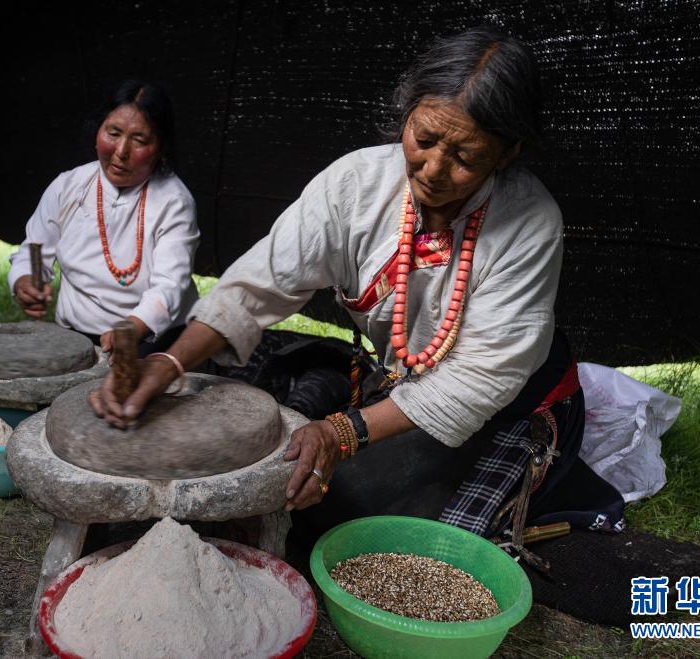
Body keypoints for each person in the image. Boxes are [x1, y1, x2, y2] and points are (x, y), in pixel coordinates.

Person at [90, 28, 624, 545]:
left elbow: (479, 379)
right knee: (291, 483)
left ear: (507, 154)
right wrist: (171, 363)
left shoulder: (530, 222)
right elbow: (263, 281)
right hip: (407, 383)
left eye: (466, 157)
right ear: (406, 111)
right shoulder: (356, 184)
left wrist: (341, 432)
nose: (434, 169)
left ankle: (545, 477)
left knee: (349, 520)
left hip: (509, 403)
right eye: (423, 139)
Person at [8, 80, 199, 355]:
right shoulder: (68, 186)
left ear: (161, 148)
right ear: (98, 130)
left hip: (153, 343)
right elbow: (37, 247)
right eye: (113, 133)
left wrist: (134, 327)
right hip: (75, 339)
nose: (121, 151)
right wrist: (27, 280)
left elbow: (169, 286)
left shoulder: (174, 202)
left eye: (139, 140)